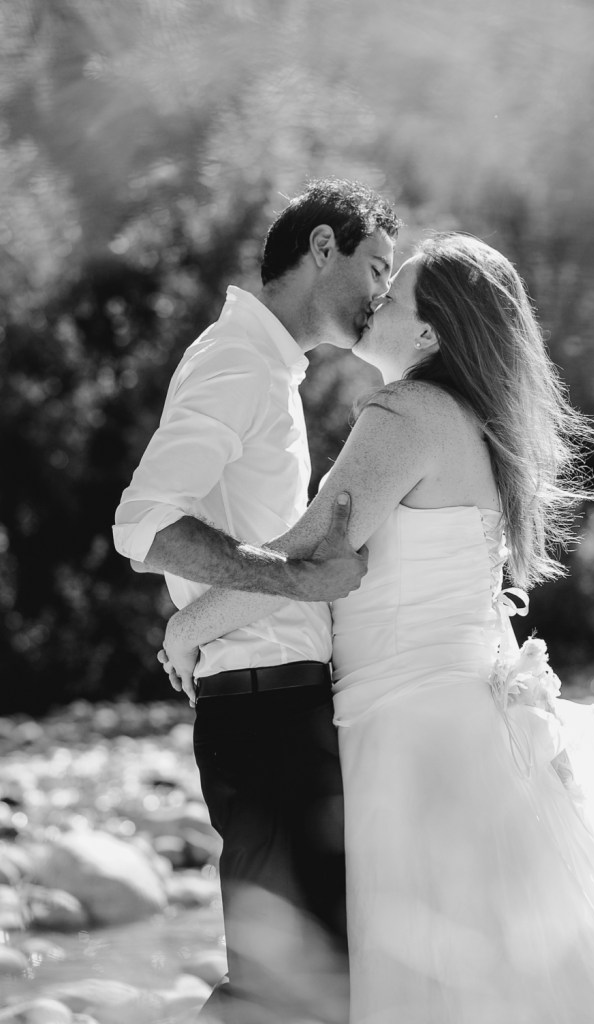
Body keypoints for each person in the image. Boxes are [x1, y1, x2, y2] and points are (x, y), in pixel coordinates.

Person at [162, 233, 594, 1023]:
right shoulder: (476, 423)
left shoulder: (403, 414)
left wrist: (186, 628)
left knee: (425, 971)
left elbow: (302, 556)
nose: (373, 302)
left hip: (408, 733)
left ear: (429, 332)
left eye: (391, 295)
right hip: (467, 727)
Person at [112, 177, 400, 1023]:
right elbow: (145, 525)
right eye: (375, 266)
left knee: (301, 989)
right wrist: (295, 580)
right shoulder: (236, 361)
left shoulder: (266, 366)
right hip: (265, 717)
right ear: (321, 249)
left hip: (281, 711)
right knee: (284, 999)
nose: (382, 291)